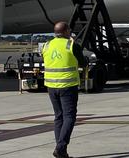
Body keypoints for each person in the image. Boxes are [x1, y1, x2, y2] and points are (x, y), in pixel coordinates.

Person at [42, 21, 87, 158]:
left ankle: (61, 150)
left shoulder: (47, 45)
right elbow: (84, 63)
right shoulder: (72, 45)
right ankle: (60, 147)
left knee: (58, 117)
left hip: (51, 87)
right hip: (68, 86)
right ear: (66, 31)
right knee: (69, 117)